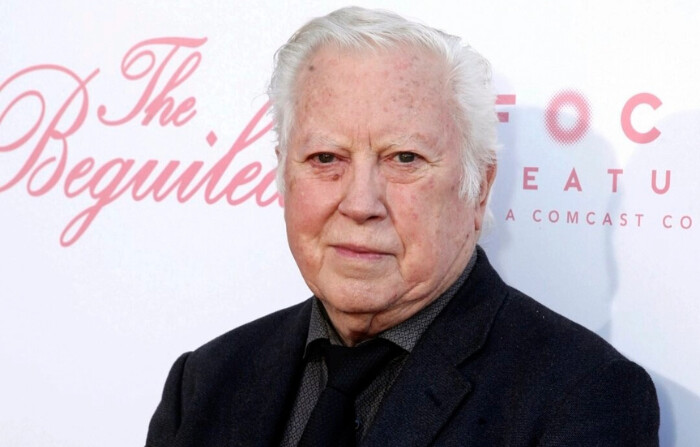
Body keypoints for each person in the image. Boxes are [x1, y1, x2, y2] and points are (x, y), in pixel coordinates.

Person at [146, 7, 659, 446]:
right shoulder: (205, 382)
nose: (361, 203)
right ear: (283, 174)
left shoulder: (583, 397)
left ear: (478, 188)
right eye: (326, 157)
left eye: (404, 158)